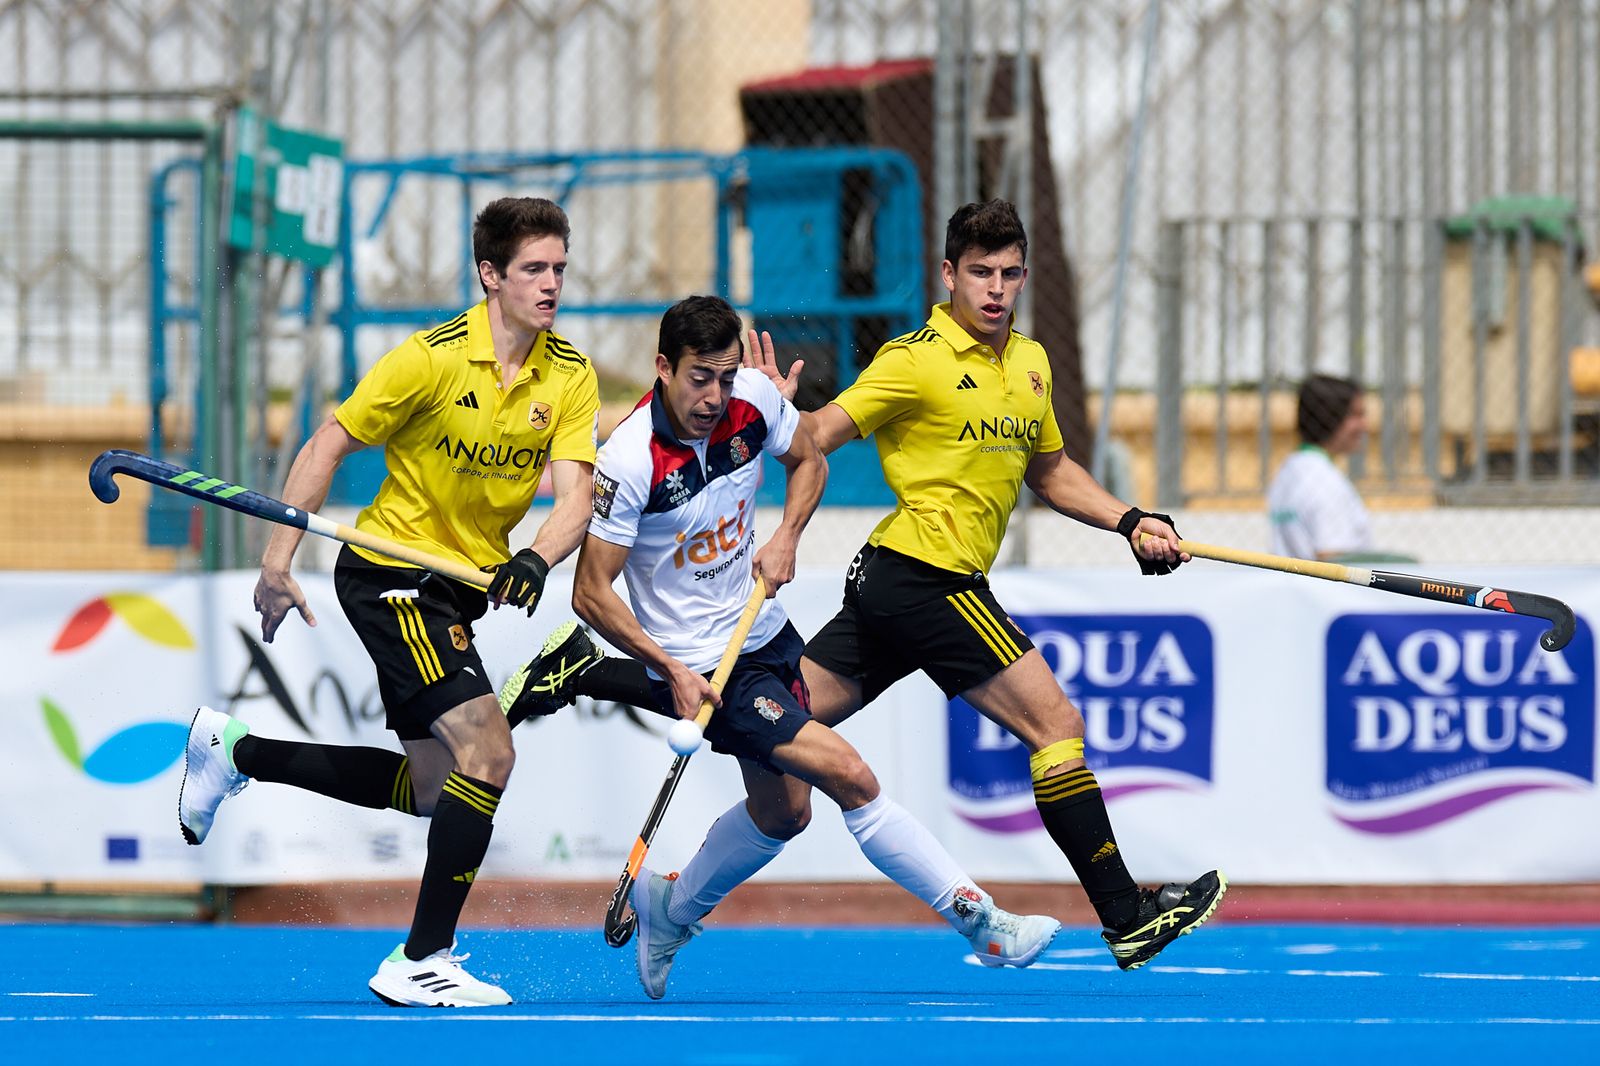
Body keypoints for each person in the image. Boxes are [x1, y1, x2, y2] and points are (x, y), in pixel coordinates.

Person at [513, 201, 1226, 973]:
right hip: (927, 577)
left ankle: (599, 704)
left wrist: (1129, 521)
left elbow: (1050, 472)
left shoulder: (1031, 365)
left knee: (784, 791)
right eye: (978, 272)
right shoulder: (912, 359)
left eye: (1009, 274)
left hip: (825, 609)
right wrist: (785, 412)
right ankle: (1105, 915)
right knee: (1047, 728)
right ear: (948, 275)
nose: (994, 289)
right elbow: (819, 434)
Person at [570, 294, 1061, 1000]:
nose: (713, 397)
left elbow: (810, 461)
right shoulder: (630, 458)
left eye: (725, 377)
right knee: (851, 776)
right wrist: (671, 669)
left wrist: (786, 536)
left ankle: (669, 909)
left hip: (765, 636)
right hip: (709, 669)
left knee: (783, 814)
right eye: (697, 379)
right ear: (661, 368)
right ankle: (981, 923)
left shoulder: (754, 403)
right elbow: (591, 592)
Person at [177, 197, 600, 1007]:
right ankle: (422, 958)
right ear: (490, 275)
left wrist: (537, 557)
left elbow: (576, 496)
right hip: (389, 574)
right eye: (534, 270)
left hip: (463, 588)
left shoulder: (570, 374)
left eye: (559, 269)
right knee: (491, 752)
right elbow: (327, 442)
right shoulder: (428, 359)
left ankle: (236, 753)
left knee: (439, 787)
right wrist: (277, 560)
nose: (551, 285)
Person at [1267, 374, 1393, 561]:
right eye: (1356, 415)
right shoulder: (1325, 481)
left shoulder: (1290, 469)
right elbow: (1332, 559)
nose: (1364, 426)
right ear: (1331, 416)